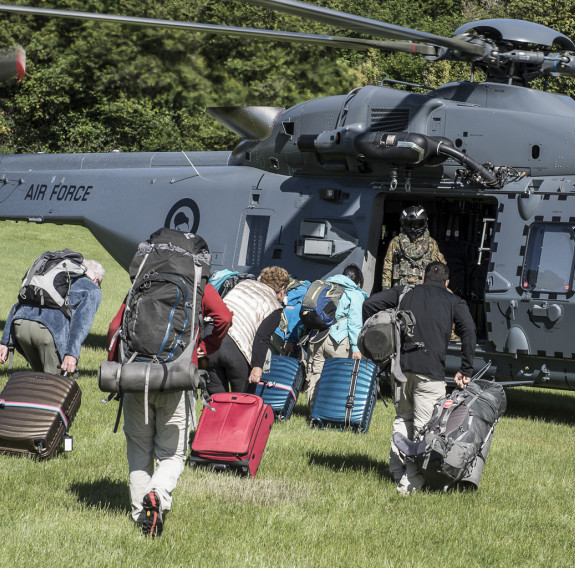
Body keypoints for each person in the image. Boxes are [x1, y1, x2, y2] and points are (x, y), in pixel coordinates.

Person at [123, 279, 232, 537]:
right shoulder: (197, 279)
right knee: (172, 454)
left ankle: (141, 516)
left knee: (139, 450)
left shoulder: (145, 275)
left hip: (136, 374)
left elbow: (117, 324)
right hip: (178, 375)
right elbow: (224, 318)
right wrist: (204, 348)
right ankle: (158, 494)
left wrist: (119, 371)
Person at [363, 261, 476, 495]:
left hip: (401, 370)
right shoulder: (454, 301)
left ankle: (396, 469)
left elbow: (369, 304)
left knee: (403, 419)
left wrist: (378, 344)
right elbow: (469, 330)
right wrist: (465, 368)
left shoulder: (404, 292)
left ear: (423, 279)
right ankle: (410, 483)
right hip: (431, 373)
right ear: (447, 283)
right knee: (425, 429)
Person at [0, 259, 104, 375]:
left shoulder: (60, 277)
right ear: (96, 280)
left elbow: (19, 303)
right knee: (55, 385)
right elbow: (81, 324)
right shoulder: (92, 289)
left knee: (39, 378)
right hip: (46, 331)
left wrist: (5, 342)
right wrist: (71, 353)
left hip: (20, 326)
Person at [206, 266, 290, 395]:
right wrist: (257, 367)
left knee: (215, 398)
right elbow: (262, 338)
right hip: (235, 347)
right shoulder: (274, 307)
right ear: (282, 288)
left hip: (209, 340)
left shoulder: (242, 285)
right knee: (242, 399)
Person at [305, 263, 367, 408]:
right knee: (339, 377)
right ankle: (331, 411)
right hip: (339, 341)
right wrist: (356, 347)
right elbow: (355, 323)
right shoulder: (355, 294)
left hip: (318, 337)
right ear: (358, 282)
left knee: (316, 374)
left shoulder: (327, 287)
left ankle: (312, 410)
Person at [381, 205, 446, 290]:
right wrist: (386, 291)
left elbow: (438, 270)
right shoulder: (396, 242)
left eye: (417, 224)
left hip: (423, 291)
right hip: (400, 289)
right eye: (409, 224)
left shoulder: (431, 243)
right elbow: (387, 269)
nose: (412, 229)